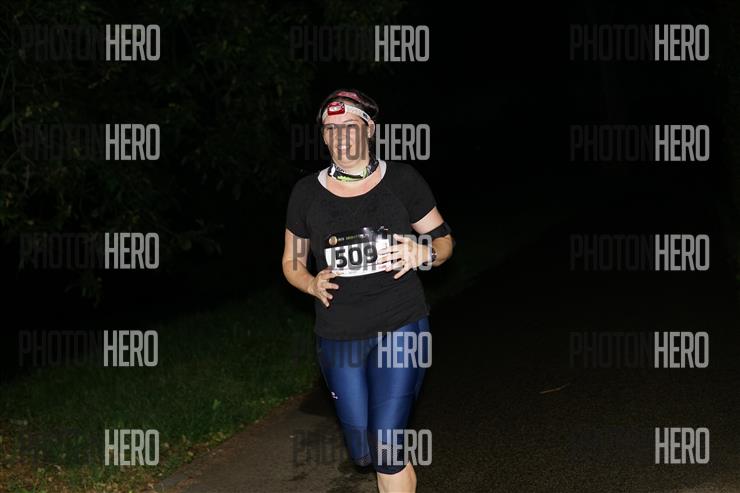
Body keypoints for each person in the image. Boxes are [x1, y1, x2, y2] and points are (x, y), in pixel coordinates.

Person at [282, 88, 454, 493]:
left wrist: (424, 253)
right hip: (338, 335)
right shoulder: (306, 193)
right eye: (330, 128)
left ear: (369, 129)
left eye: (349, 126)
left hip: (401, 324)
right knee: (365, 452)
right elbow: (291, 262)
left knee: (386, 445)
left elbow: (445, 242)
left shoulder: (402, 180)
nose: (340, 136)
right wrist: (310, 282)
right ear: (323, 137)